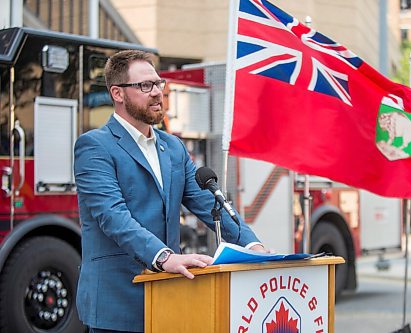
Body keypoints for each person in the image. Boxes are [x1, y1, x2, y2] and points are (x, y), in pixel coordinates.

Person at [74, 50, 267, 333]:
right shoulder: (94, 146)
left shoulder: (173, 147)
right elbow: (113, 216)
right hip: (116, 305)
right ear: (117, 93)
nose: (157, 93)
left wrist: (253, 247)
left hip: (169, 298)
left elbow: (206, 201)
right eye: (145, 86)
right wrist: (165, 257)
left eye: (158, 83)